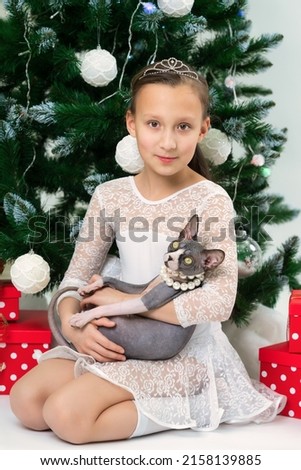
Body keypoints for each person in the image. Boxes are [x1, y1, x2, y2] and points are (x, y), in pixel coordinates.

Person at [10, 57, 286, 444]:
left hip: (179, 351)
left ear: (203, 129)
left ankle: (193, 399)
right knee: (26, 403)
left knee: (66, 417)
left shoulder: (210, 199)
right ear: (131, 123)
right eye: (154, 124)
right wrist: (77, 331)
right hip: (122, 338)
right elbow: (74, 277)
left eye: (184, 127)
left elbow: (219, 303)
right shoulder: (111, 196)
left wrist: (129, 301)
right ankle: (110, 386)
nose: (168, 141)